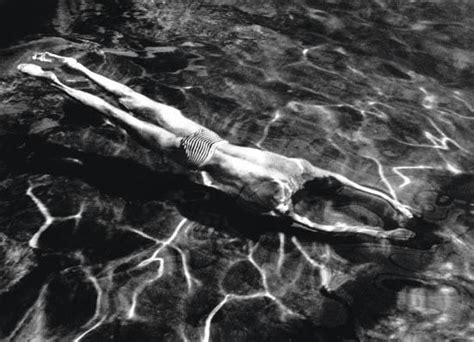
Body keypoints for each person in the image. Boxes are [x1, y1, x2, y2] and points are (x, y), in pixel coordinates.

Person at [17, 52, 415, 241]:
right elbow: (321, 227)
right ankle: (52, 80)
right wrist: (382, 233)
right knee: (121, 117)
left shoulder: (301, 168)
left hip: (207, 138)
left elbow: (347, 186)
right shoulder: (277, 201)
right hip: (198, 155)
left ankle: (74, 69)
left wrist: (392, 206)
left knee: (139, 104)